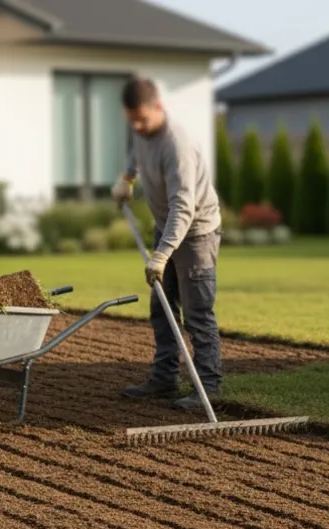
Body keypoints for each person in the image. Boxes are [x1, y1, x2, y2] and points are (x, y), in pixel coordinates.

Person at [112, 76, 224, 412]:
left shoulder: (178, 145)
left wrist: (162, 254)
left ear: (158, 107)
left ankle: (209, 387)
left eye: (141, 118)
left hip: (195, 234)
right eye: (130, 119)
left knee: (197, 313)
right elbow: (138, 153)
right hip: (166, 229)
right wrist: (127, 177)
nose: (136, 125)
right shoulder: (142, 130)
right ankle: (164, 377)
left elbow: (183, 207)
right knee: (162, 308)